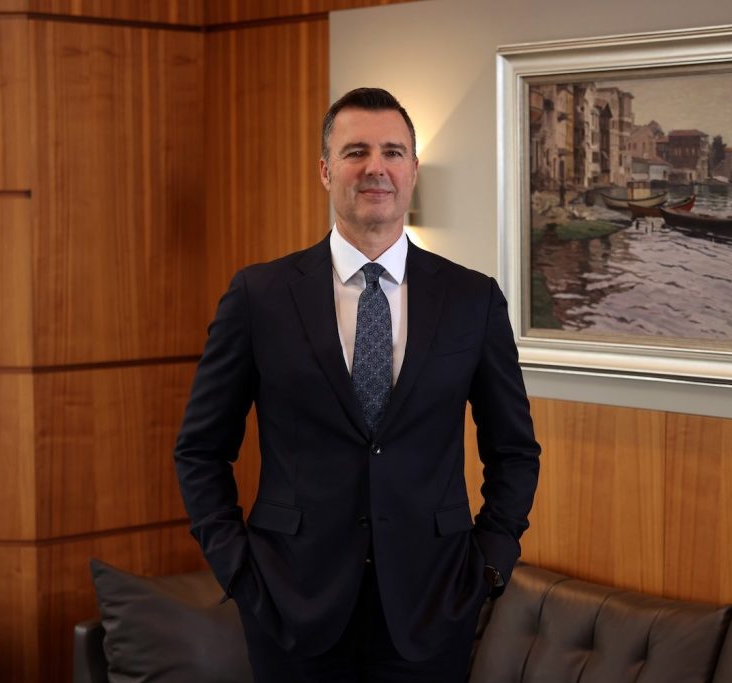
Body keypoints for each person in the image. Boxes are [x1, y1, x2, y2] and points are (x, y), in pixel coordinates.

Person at [174, 87, 540, 682]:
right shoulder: (259, 296)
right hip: (289, 602)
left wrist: (491, 562)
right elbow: (200, 449)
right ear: (325, 171)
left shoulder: (472, 299)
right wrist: (236, 568)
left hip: (432, 605)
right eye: (356, 152)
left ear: (413, 170)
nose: (376, 167)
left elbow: (515, 449)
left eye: (393, 152)